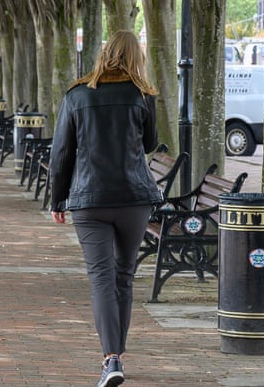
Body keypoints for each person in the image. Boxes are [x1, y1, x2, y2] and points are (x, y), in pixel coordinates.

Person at [48, 30, 161, 387]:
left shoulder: (77, 95)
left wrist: (57, 199)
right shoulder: (143, 95)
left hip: (89, 199)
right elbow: (150, 143)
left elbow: (62, 153)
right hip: (133, 198)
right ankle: (118, 356)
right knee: (124, 276)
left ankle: (110, 358)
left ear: (104, 54)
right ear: (135, 57)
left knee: (101, 279)